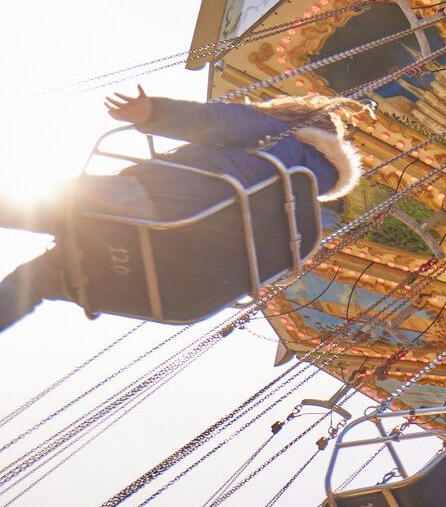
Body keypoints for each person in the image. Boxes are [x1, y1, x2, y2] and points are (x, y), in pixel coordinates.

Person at [0, 87, 362, 333]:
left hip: (161, 202)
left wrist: (153, 112)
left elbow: (219, 120)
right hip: (165, 268)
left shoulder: (281, 132)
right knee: (34, 281)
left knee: (36, 204)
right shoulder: (299, 199)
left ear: (295, 115)